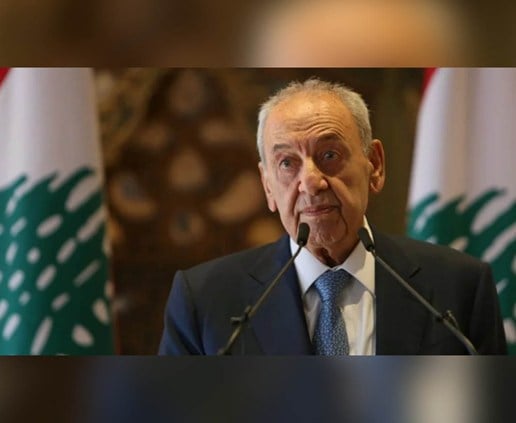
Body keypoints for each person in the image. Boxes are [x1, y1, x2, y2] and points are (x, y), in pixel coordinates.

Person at [158, 78, 506, 355]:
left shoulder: (459, 288)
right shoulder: (204, 302)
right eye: (287, 163)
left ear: (375, 165)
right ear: (267, 186)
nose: (310, 182)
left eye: (329, 155)